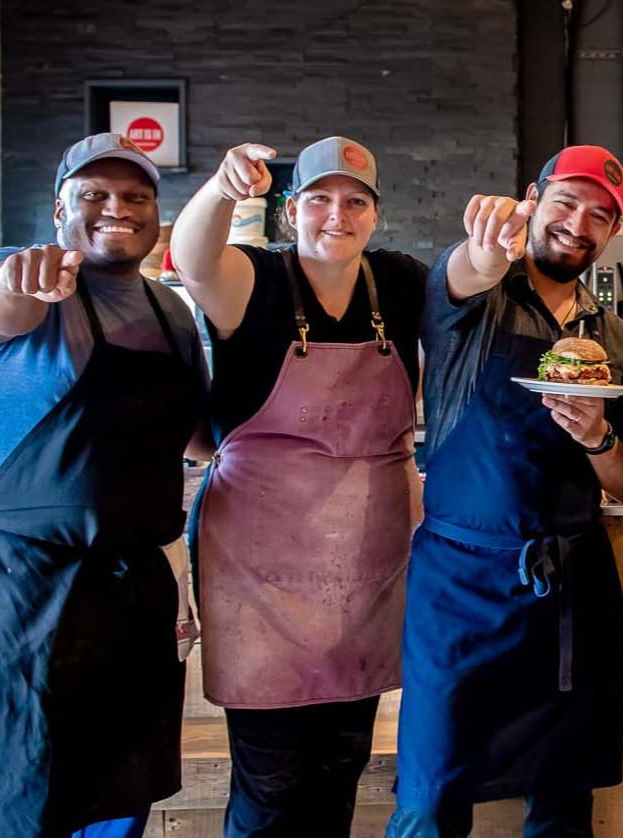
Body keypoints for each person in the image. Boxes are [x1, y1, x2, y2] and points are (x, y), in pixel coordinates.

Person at [387, 145, 623, 838]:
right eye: (566, 202)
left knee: (563, 802)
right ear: (532, 200)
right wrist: (488, 247)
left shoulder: (614, 338)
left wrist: (596, 436)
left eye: (601, 214)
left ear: (612, 233)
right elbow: (468, 267)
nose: (579, 224)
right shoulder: (472, 298)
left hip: (569, 589)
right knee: (428, 797)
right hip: (461, 587)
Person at [0, 133, 209, 838]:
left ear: (158, 212)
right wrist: (19, 282)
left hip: (138, 591)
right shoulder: (12, 276)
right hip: (28, 591)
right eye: (93, 195)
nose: (115, 209)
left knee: (122, 795)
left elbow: (200, 441)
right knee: (25, 795)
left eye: (135, 196)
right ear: (59, 207)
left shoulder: (173, 313)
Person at [171, 137, 427, 838]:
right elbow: (192, 259)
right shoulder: (252, 278)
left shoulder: (398, 283)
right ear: (290, 211)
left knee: (339, 766)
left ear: (375, 216)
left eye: (354, 202)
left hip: (365, 568)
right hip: (259, 572)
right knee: (271, 782)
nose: (335, 216)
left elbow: (465, 288)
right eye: (318, 200)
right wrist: (224, 190)